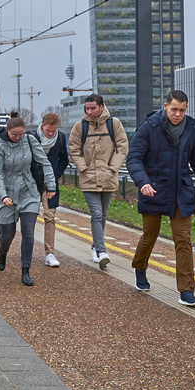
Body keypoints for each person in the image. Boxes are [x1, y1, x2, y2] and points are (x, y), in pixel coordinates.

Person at [125, 90, 195, 308]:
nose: (178, 114)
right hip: (153, 189)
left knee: (183, 240)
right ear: (165, 106)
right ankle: (140, 266)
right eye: (174, 109)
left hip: (181, 191)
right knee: (150, 235)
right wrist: (142, 182)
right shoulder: (149, 127)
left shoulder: (191, 127)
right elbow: (133, 158)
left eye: (182, 110)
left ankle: (186, 290)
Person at [0, 115, 57, 287]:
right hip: (8, 192)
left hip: (29, 191)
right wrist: (3, 195)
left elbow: (44, 162)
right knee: (8, 235)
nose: (18, 138)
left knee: (28, 231)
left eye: (20, 135)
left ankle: (25, 270)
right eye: (14, 135)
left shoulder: (29, 140)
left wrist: (51, 185)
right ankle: (3, 252)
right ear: (7, 131)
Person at [69, 94, 128, 269]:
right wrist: (83, 167)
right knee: (96, 214)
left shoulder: (114, 124)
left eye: (93, 108)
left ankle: (95, 247)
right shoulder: (80, 126)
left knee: (103, 214)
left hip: (108, 176)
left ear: (101, 107)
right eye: (87, 108)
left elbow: (123, 147)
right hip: (88, 178)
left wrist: (112, 168)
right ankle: (102, 251)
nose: (89, 111)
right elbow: (73, 148)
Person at [29, 112, 70, 267]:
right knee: (29, 216)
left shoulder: (59, 138)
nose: (51, 133)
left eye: (53, 130)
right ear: (42, 125)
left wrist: (55, 176)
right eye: (48, 131)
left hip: (50, 185)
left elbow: (64, 160)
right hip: (32, 183)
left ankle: (50, 253)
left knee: (50, 217)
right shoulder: (31, 137)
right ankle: (27, 250)